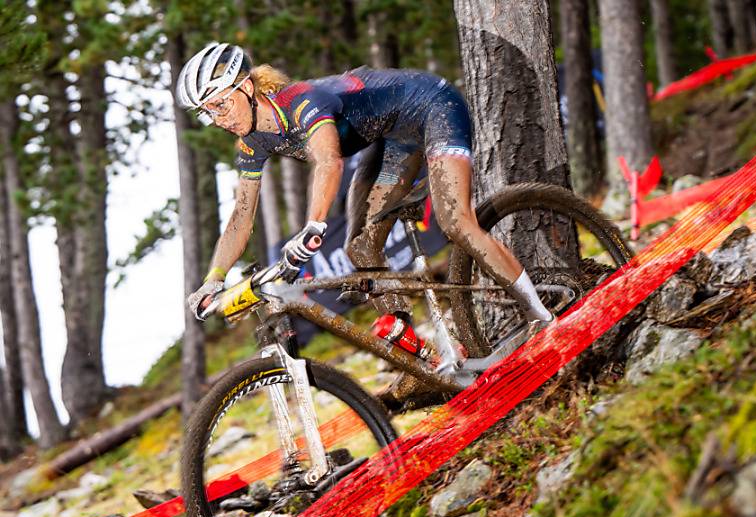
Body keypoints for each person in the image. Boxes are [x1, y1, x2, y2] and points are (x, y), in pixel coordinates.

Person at [178, 43, 553, 350]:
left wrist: (313, 227)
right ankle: (423, 358)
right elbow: (242, 215)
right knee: (360, 248)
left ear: (245, 87)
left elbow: (328, 161)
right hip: (394, 139)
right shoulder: (251, 142)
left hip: (432, 107)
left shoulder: (300, 101)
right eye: (207, 112)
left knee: (455, 221)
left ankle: (542, 316)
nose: (218, 119)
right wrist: (214, 278)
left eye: (220, 104)